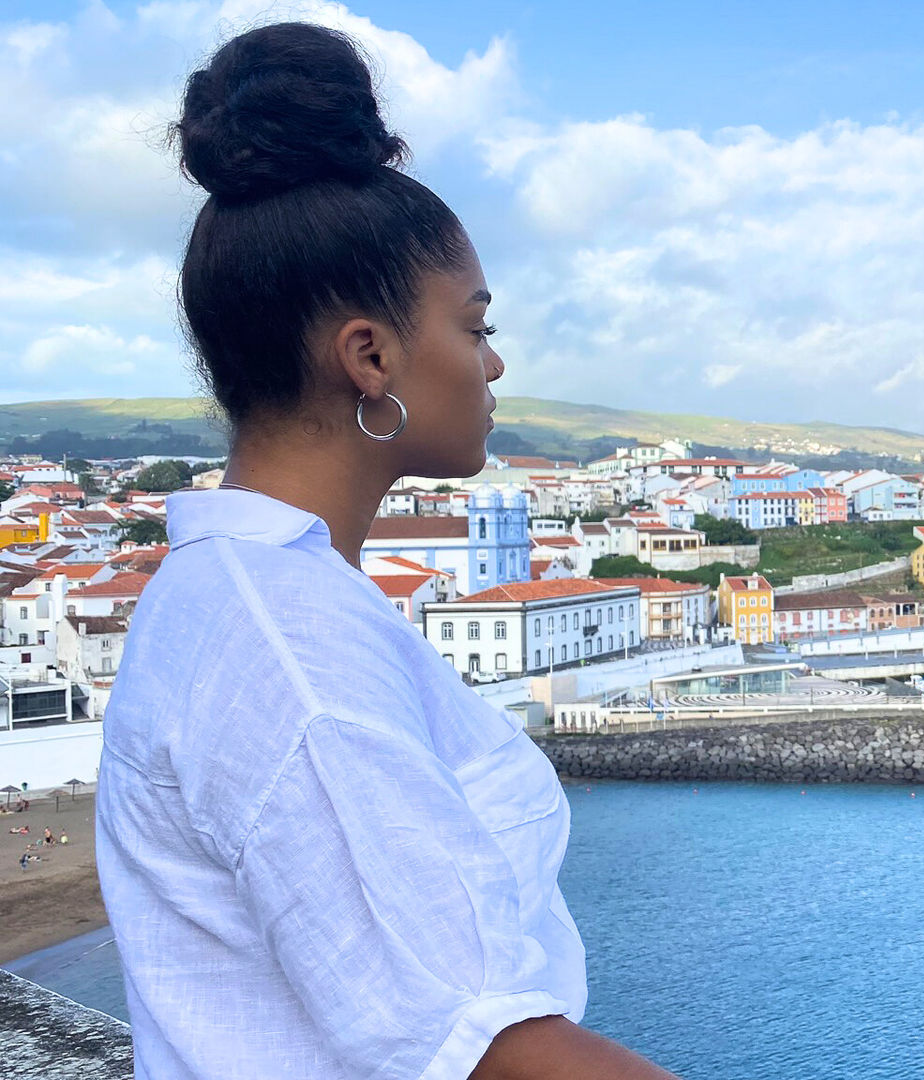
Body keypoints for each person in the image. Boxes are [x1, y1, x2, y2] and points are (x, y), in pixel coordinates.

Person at [94, 23, 678, 1080]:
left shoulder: (249, 593)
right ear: (370, 355)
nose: (494, 363)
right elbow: (492, 1049)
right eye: (474, 325)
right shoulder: (287, 642)